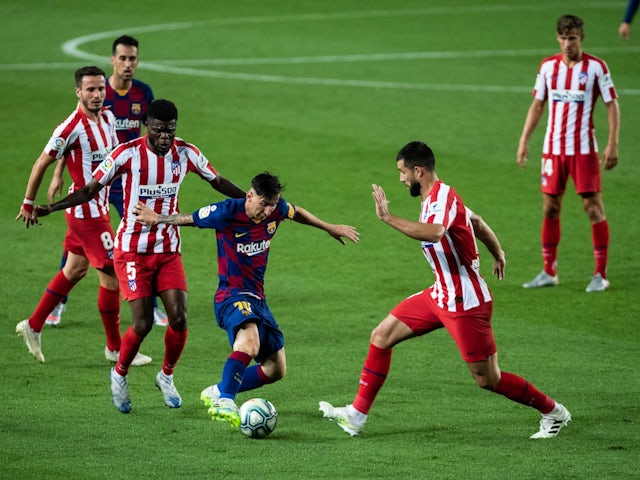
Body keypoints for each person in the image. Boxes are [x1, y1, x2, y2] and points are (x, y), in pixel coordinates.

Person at [319, 141, 571, 439]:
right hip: (440, 294)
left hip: (466, 302)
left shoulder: (443, 197)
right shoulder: (433, 199)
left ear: (418, 171)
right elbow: (475, 221)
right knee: (381, 336)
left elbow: (436, 232)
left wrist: (387, 218)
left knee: (488, 379)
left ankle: (553, 412)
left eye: (402, 172)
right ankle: (356, 416)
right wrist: (498, 252)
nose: (400, 179)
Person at [34, 99, 245, 414]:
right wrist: (52, 207)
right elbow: (90, 189)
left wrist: (249, 202)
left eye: (170, 131)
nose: (165, 137)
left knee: (179, 318)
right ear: (147, 126)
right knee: (143, 323)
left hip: (168, 250)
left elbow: (217, 181)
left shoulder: (186, 153)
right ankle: (119, 373)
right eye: (159, 130)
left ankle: (166, 375)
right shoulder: (126, 154)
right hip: (132, 251)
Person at [134, 172, 359, 426]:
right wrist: (158, 219)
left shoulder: (277, 209)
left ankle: (219, 390)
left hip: (257, 297)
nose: (267, 211)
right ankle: (226, 400)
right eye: (263, 205)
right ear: (250, 195)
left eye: (272, 205)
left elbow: (297, 212)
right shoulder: (227, 211)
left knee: (275, 369)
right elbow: (191, 218)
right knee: (249, 343)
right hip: (230, 294)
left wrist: (328, 227)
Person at [15, 66, 151, 367]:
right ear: (78, 91)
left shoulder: (108, 118)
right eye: (90, 89)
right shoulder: (70, 127)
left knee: (74, 270)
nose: (97, 94)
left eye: (101, 88)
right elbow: (41, 162)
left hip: (98, 208)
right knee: (113, 278)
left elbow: (109, 160)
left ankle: (33, 325)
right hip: (86, 215)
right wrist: (28, 201)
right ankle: (115, 348)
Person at [46, 35, 168, 327]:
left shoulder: (143, 93)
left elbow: (151, 133)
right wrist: (58, 173)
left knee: (143, 236)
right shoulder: (99, 94)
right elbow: (74, 141)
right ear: (112, 60)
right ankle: (58, 305)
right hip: (96, 184)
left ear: (137, 61)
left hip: (128, 182)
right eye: (122, 58)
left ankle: (150, 305)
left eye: (132, 59)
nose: (127, 64)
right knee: (76, 246)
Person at [516, 14, 620, 292]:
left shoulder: (597, 68)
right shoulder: (548, 67)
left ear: (581, 38)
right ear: (557, 38)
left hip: (584, 150)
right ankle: (549, 271)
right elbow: (537, 105)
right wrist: (524, 140)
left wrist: (613, 143)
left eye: (572, 38)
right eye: (562, 38)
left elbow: (612, 105)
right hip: (552, 150)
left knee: (593, 208)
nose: (566, 43)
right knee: (550, 207)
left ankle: (601, 273)